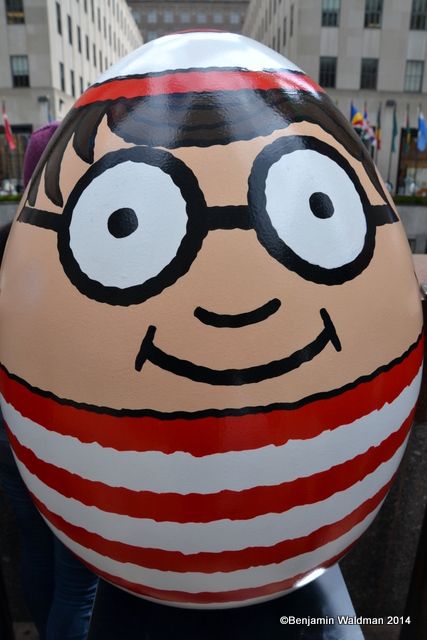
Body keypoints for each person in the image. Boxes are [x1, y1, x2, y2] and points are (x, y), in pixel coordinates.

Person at [0, 122, 98, 640]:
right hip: (68, 435)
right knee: (79, 584)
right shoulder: (86, 249)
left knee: (35, 549)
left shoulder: (8, 244)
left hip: (9, 425)